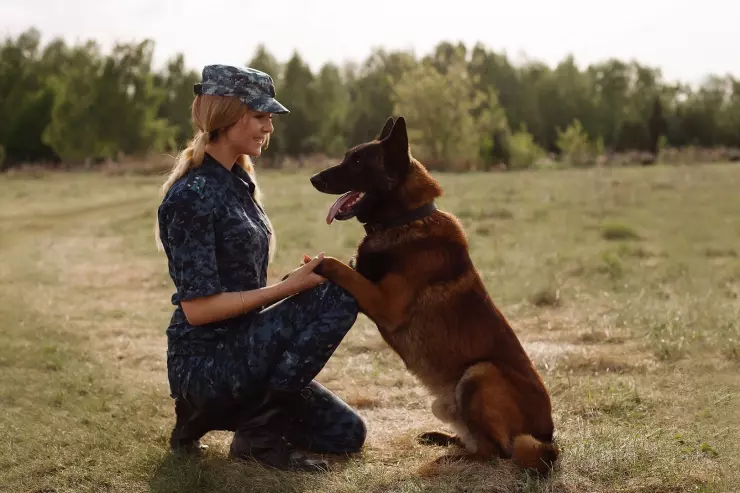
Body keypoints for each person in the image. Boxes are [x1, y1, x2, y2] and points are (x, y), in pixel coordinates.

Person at [155, 64, 365, 472]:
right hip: (206, 364)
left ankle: (214, 419)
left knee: (345, 434)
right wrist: (287, 291)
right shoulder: (191, 195)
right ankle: (256, 436)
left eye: (269, 117)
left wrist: (294, 283)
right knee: (341, 292)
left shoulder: (238, 182)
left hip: (246, 350)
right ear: (227, 115)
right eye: (260, 115)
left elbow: (239, 285)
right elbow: (198, 310)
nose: (268, 126)